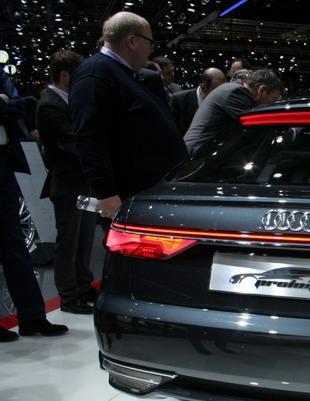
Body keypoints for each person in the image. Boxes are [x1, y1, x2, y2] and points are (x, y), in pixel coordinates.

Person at [69, 11, 187, 219]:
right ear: (132, 41)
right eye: (149, 42)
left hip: (150, 191)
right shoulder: (95, 74)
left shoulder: (124, 74)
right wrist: (106, 192)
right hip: (129, 195)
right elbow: (89, 136)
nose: (151, 49)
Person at [0, 69, 68, 341]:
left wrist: (7, 103)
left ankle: (32, 317)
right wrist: (3, 103)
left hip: (3, 163)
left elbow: (22, 105)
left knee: (14, 244)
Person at [36, 50, 97, 314]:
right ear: (64, 75)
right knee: (69, 242)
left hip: (84, 182)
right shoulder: (50, 105)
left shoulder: (69, 101)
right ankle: (69, 297)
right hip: (68, 183)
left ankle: (84, 287)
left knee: (84, 240)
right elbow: (73, 141)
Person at [183, 68, 284, 157]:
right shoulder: (237, 93)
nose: (271, 104)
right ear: (262, 90)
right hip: (196, 156)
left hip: (202, 153)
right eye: (273, 99)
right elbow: (257, 133)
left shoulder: (233, 88)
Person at [170, 67, 226, 136]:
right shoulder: (180, 100)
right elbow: (173, 131)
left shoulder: (224, 101)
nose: (220, 95)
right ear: (203, 86)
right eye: (216, 91)